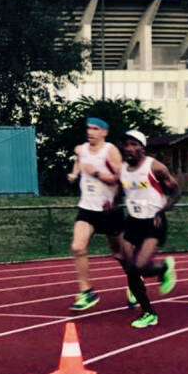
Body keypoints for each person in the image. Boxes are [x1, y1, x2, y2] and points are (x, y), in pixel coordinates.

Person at [118, 129, 181, 328]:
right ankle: (148, 313)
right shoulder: (122, 169)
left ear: (142, 149)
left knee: (140, 265)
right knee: (129, 267)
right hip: (133, 220)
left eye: (133, 144)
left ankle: (163, 268)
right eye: (126, 144)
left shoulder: (155, 167)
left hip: (154, 222)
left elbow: (176, 190)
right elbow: (124, 190)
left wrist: (163, 210)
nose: (128, 148)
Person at [66, 117, 124, 311]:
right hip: (87, 208)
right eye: (89, 128)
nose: (90, 132)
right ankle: (86, 292)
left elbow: (120, 178)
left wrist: (96, 173)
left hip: (109, 210)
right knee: (78, 247)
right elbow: (78, 161)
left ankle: (135, 281)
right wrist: (74, 174)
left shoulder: (111, 151)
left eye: (95, 129)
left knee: (119, 253)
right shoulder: (82, 149)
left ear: (104, 132)